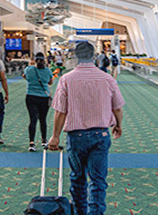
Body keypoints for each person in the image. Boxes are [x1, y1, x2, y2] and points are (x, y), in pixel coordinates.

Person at [47, 41, 125, 215]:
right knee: (98, 181)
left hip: (76, 137)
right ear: (94, 55)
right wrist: (118, 125)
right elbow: (118, 108)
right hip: (101, 135)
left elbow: (60, 111)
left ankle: (80, 212)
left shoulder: (66, 79)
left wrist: (55, 136)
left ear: (75, 55)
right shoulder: (107, 79)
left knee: (77, 178)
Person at [23, 53, 53, 152]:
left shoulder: (29, 69)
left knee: (33, 119)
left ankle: (31, 143)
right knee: (43, 119)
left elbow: (25, 76)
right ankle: (44, 140)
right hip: (44, 97)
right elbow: (50, 82)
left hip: (31, 96)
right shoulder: (47, 71)